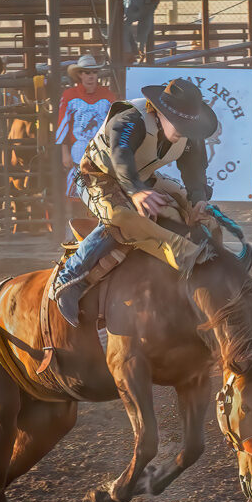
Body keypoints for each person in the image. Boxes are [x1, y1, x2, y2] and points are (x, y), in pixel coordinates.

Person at [51, 78, 218, 327]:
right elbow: (121, 154)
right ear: (161, 112)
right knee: (123, 217)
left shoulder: (190, 133)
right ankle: (69, 278)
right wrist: (136, 191)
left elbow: (194, 171)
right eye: (180, 121)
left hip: (142, 178)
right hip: (97, 176)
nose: (184, 129)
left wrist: (197, 199)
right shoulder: (131, 118)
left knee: (190, 207)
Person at [55, 54, 118, 233]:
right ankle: (75, 232)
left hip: (102, 153)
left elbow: (113, 124)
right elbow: (62, 125)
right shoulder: (69, 96)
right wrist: (64, 152)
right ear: (80, 75)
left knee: (102, 194)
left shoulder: (108, 96)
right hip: (77, 152)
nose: (90, 76)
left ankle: (100, 231)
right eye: (86, 72)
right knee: (76, 194)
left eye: (94, 72)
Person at [119, 0, 178, 64]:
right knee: (119, 50)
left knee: (132, 54)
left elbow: (145, 21)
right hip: (105, 18)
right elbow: (123, 25)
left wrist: (141, 46)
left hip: (121, 22)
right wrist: (126, 51)